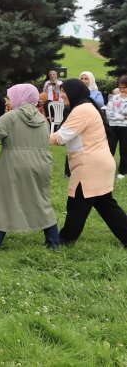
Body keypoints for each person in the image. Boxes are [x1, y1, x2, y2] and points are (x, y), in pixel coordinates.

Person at [0, 84, 60, 249]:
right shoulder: (42, 119)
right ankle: (53, 243)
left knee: (5, 202)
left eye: (10, 97)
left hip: (14, 166)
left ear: (20, 97)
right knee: (41, 203)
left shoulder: (12, 117)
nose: (7, 101)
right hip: (41, 165)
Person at [50, 79, 127, 247]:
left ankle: (63, 242)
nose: (61, 95)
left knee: (77, 205)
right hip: (99, 162)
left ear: (74, 92)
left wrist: (32, 136)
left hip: (90, 165)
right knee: (106, 205)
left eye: (64, 92)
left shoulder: (82, 110)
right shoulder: (85, 106)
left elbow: (60, 137)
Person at [106, 76, 127, 179]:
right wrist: (123, 116)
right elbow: (108, 112)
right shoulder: (115, 98)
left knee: (124, 150)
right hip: (113, 127)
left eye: (124, 87)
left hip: (125, 128)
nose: (122, 90)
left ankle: (122, 171)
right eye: (120, 87)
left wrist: (116, 115)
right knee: (110, 149)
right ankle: (107, 169)